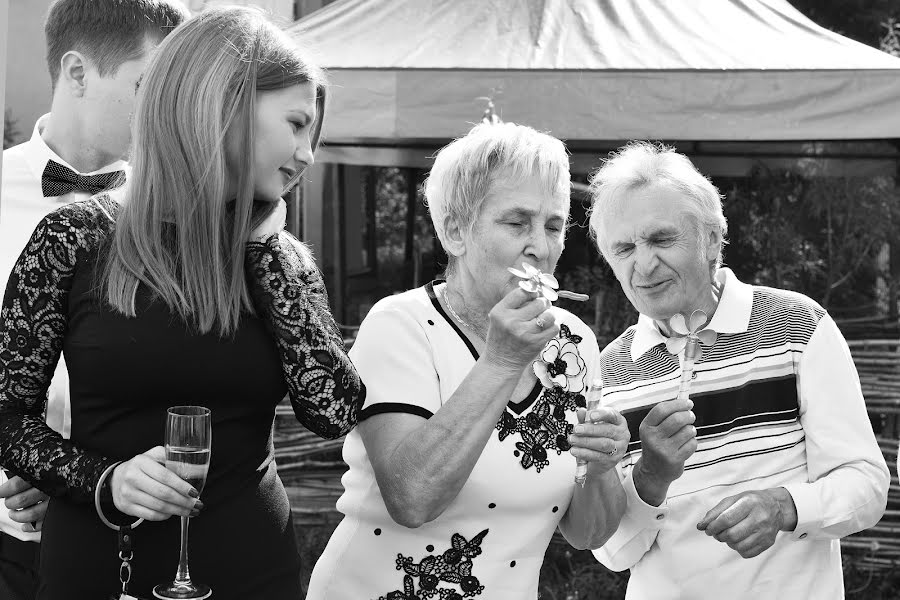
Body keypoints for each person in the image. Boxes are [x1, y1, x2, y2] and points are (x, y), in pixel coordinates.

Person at [0, 6, 365, 599]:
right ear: (224, 108)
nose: (307, 154)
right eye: (296, 124)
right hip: (99, 568)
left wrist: (266, 249)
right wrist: (103, 480)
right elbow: (7, 416)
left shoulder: (283, 262)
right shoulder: (73, 240)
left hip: (249, 567)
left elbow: (334, 410)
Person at [308, 122, 629, 599]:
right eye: (516, 222)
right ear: (455, 231)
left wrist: (600, 466)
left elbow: (588, 535)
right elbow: (412, 498)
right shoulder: (401, 324)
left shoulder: (574, 343)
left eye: (554, 225)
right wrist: (501, 363)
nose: (540, 247)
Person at [587, 141, 889, 599]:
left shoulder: (797, 327)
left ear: (711, 239)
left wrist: (784, 506)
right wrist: (651, 474)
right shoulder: (607, 371)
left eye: (661, 239)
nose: (643, 264)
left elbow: (866, 483)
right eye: (623, 248)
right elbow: (613, 553)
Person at [0, 1, 188, 598]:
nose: (169, 108)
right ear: (78, 73)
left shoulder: (179, 218)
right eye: (149, 83)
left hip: (140, 535)